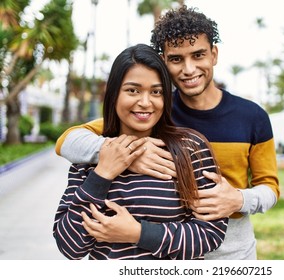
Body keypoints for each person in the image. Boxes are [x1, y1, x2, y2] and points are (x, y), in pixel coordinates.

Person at [55, 6, 279, 260]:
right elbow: (67, 140)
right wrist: (129, 154)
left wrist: (238, 200)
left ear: (213, 54)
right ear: (163, 61)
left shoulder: (251, 116)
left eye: (198, 55)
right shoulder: (154, 111)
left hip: (231, 253)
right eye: (176, 59)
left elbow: (269, 187)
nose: (189, 68)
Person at [52, 43, 228, 260]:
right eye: (133, 90)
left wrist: (138, 233)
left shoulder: (191, 147)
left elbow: (210, 234)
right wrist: (103, 173)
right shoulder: (90, 156)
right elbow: (70, 246)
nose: (145, 102)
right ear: (114, 94)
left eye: (156, 92)